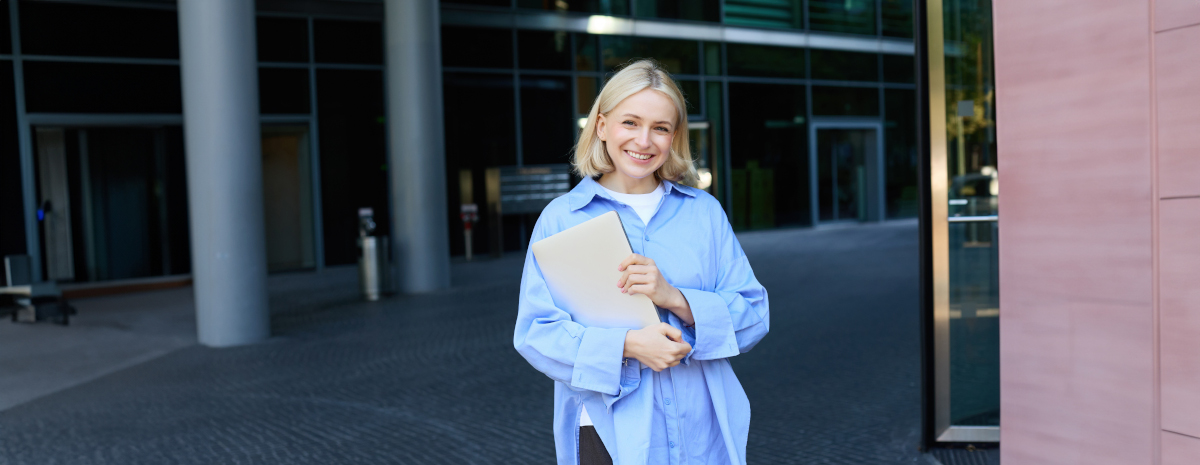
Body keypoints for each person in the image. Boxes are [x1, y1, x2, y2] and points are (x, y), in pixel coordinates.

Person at [514, 59, 769, 465]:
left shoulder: (704, 212)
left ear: (674, 137)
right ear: (601, 126)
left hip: (700, 428)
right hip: (607, 430)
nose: (644, 140)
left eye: (661, 128)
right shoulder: (561, 218)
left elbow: (754, 314)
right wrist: (628, 346)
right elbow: (536, 334)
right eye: (630, 122)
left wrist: (674, 298)